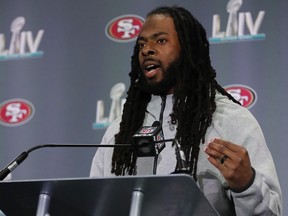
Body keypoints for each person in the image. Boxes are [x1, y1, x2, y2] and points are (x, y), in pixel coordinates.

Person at [90, 5, 282, 215]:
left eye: (160, 40)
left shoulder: (230, 121)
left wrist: (247, 186)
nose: (147, 49)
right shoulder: (119, 130)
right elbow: (96, 206)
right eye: (142, 43)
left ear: (189, 49)